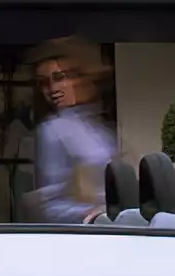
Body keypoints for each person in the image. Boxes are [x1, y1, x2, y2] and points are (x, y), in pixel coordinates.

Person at [26, 36, 118, 224]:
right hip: (82, 232)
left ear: (82, 77)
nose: (52, 89)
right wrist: (95, 214)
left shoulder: (98, 128)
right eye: (44, 83)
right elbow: (49, 206)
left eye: (60, 78)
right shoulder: (53, 130)